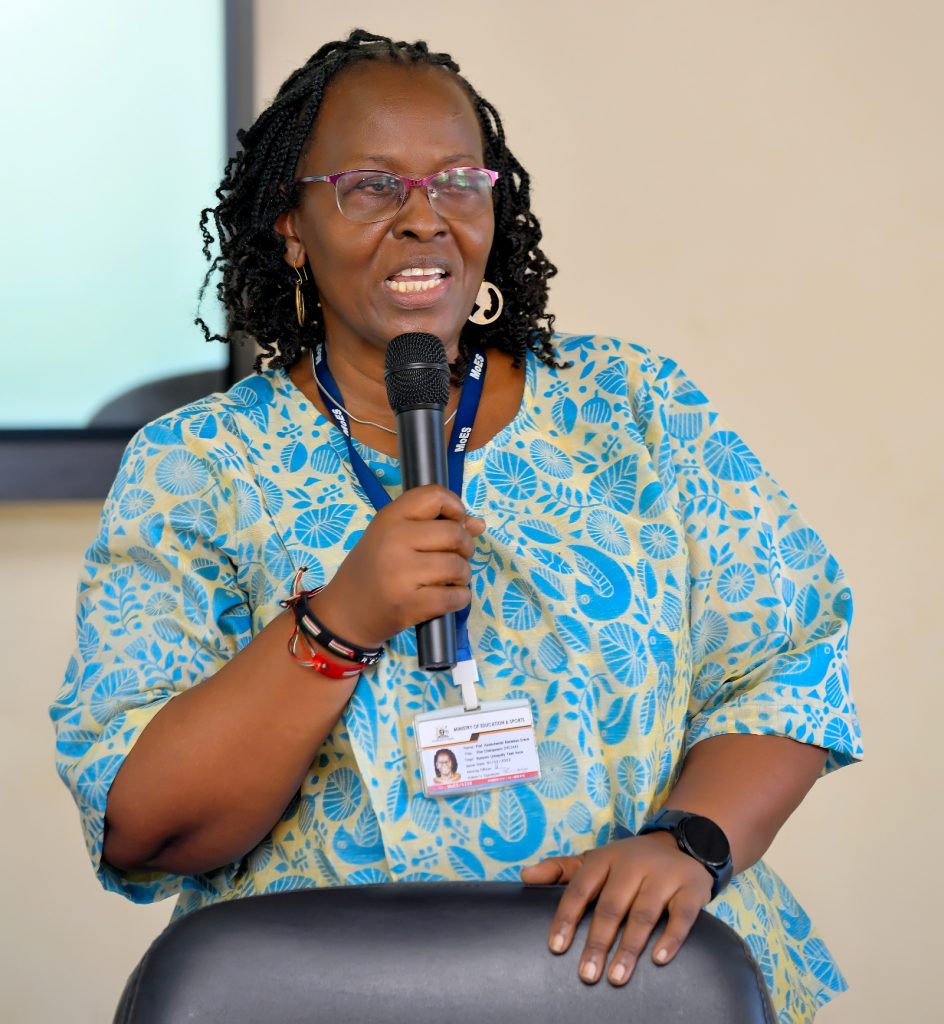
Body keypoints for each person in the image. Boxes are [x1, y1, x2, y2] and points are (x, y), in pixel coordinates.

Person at [51, 29, 861, 1021]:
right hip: (316, 1000)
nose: (422, 219)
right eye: (369, 185)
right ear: (291, 225)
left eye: (456, 181)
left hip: (628, 991)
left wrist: (689, 840)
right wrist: (336, 622)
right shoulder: (197, 465)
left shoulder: (631, 409)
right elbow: (145, 825)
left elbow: (788, 663)